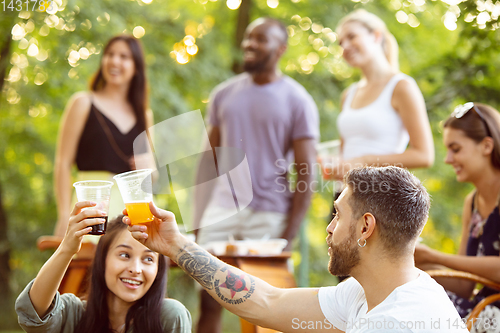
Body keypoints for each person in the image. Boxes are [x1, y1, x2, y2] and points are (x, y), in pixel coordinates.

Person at [127, 166, 468, 333]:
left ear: (366, 227)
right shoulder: (372, 292)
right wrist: (176, 246)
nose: (329, 228)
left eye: (337, 215)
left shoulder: (395, 323)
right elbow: (267, 302)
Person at [192, 17, 319, 332]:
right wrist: (197, 219)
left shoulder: (298, 100)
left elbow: (307, 172)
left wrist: (287, 235)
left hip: (269, 215)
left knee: (266, 310)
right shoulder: (224, 94)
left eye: (260, 39)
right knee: (208, 301)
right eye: (248, 38)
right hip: (221, 211)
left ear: (280, 49)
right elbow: (207, 163)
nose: (249, 44)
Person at [16, 203, 192, 333]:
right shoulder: (74, 314)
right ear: (103, 259)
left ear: (158, 270)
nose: (136, 269)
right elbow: (33, 312)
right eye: (124, 255)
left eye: (148, 259)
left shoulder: (169, 317)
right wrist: (67, 249)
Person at [54, 35, 154, 238]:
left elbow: (151, 175)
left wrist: (150, 167)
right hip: (92, 204)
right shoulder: (83, 103)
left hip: (132, 212)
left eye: (124, 56)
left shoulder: (145, 115)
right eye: (110, 54)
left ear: (136, 67)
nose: (115, 61)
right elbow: (62, 163)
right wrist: (64, 214)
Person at [415, 102, 500, 328]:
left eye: (456, 149)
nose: (447, 159)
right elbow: (464, 287)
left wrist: (434, 257)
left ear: (486, 146)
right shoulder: (471, 203)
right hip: (481, 310)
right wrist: (409, 262)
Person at [325, 10, 434, 180]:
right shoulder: (349, 94)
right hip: (345, 194)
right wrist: (337, 163)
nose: (344, 47)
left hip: (380, 197)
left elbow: (424, 156)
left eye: (352, 37)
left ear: (376, 36)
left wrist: (365, 161)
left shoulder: (401, 87)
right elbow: (347, 152)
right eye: (340, 42)